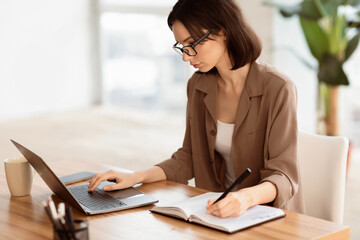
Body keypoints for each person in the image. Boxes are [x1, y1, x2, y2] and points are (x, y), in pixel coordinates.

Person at [88, 0, 305, 217]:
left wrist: (244, 198)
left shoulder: (278, 88)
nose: (186, 56)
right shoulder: (198, 86)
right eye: (182, 46)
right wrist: (136, 177)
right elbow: (190, 156)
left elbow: (283, 175)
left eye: (193, 44)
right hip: (214, 213)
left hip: (267, 217)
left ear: (223, 32)